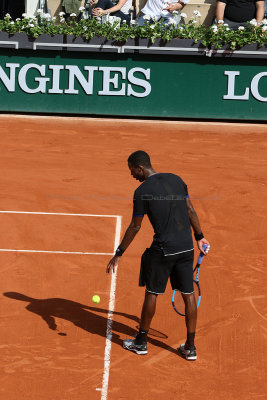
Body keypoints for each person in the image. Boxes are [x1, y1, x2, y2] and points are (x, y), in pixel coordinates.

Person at [106, 151, 210, 360]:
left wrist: (119, 253)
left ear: (140, 168)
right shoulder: (177, 179)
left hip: (163, 250)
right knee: (188, 295)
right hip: (186, 248)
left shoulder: (142, 191)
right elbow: (190, 210)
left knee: (152, 293)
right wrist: (200, 237)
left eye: (132, 170)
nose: (132, 175)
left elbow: (135, 227)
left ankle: (141, 342)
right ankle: (190, 347)